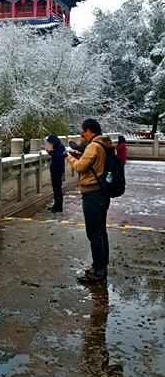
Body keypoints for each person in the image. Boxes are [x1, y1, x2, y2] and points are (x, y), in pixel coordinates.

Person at [65, 118, 113, 283]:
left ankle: (98, 272)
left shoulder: (94, 145)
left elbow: (80, 167)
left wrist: (69, 157)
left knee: (93, 233)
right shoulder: (105, 144)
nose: (82, 135)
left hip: (93, 193)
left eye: (82, 132)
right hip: (103, 192)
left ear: (88, 130)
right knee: (101, 232)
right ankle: (101, 266)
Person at [45, 134, 66, 213]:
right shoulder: (57, 147)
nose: (50, 144)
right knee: (55, 189)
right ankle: (56, 205)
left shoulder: (60, 147)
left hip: (58, 171)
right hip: (55, 170)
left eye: (50, 142)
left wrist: (50, 152)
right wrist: (50, 152)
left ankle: (59, 207)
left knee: (58, 189)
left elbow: (57, 157)